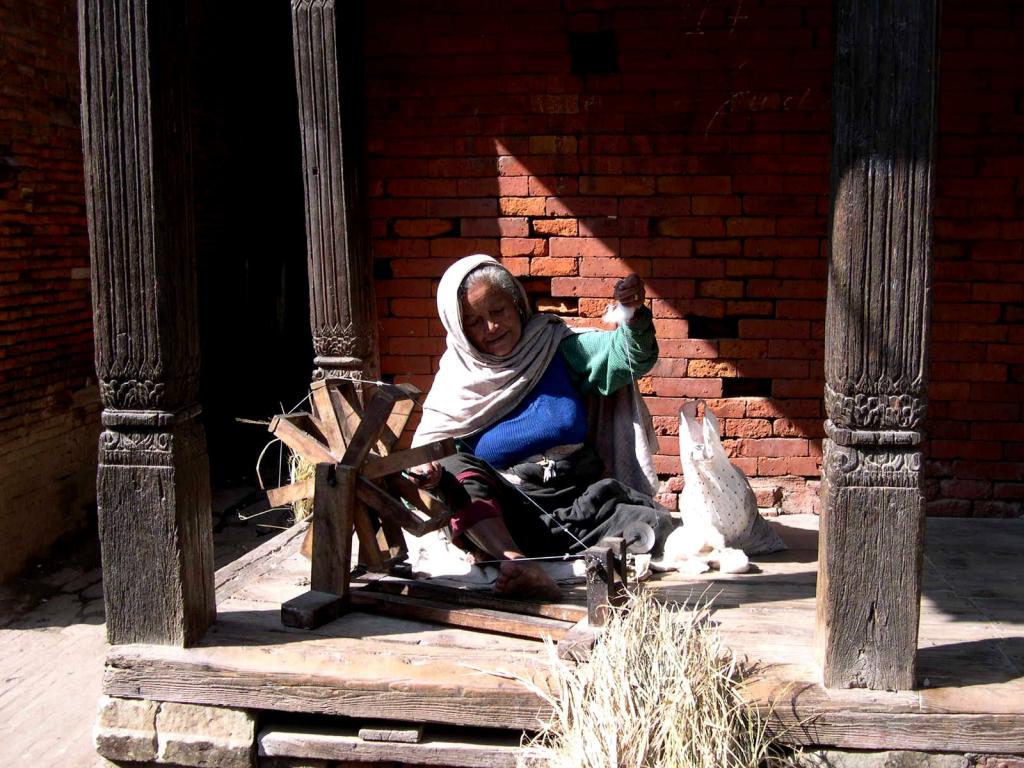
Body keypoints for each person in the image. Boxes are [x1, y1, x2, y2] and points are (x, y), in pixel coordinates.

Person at [409, 254, 673, 599]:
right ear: (459, 330)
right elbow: (430, 454)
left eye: (498, 311)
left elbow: (629, 356)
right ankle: (517, 564)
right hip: (510, 517)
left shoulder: (556, 348)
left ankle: (544, 559)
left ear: (517, 304)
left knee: (656, 528)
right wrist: (427, 473)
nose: (491, 328)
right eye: (473, 321)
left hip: (582, 503)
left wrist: (633, 316)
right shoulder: (458, 381)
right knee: (454, 469)